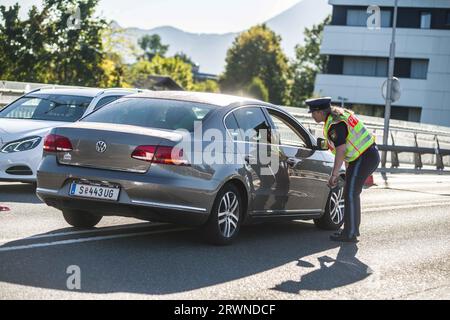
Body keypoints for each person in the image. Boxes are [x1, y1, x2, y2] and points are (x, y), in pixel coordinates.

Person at [306, 97, 380, 243]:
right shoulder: (338, 116)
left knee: (351, 193)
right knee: (350, 193)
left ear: (320, 112)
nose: (312, 116)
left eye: (313, 113)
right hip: (364, 155)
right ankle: (351, 231)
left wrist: (334, 175)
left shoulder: (335, 124)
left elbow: (341, 149)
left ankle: (350, 233)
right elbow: (349, 146)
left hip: (364, 157)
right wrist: (347, 168)